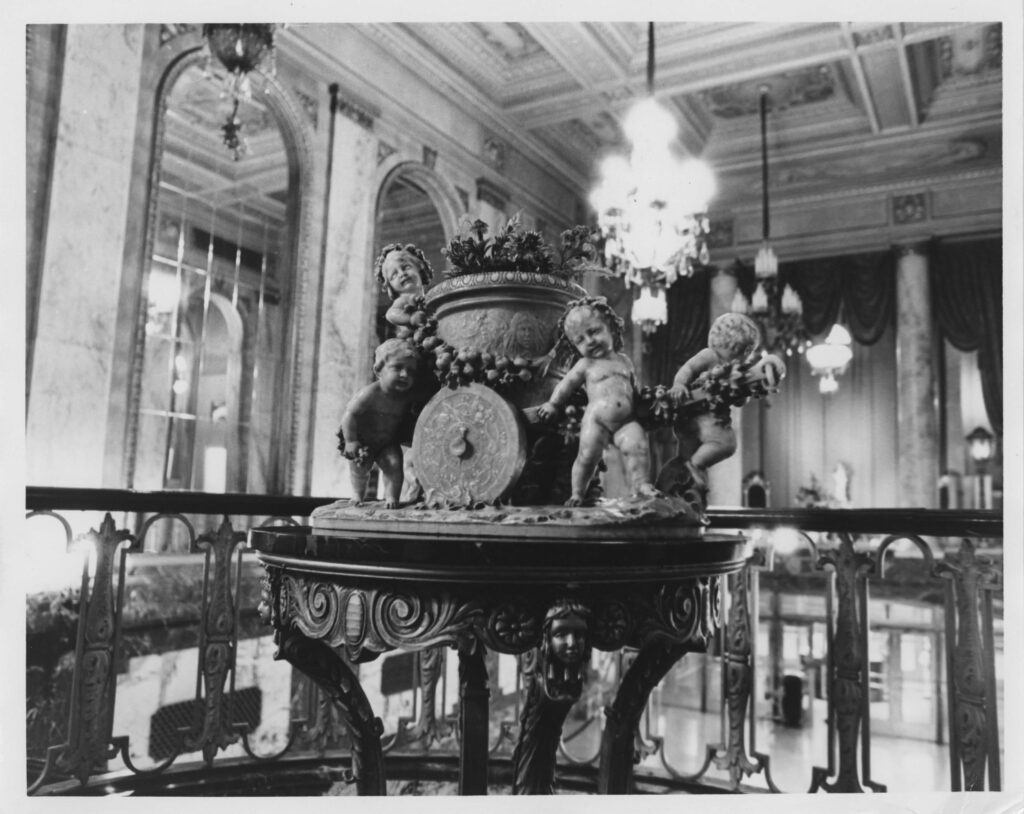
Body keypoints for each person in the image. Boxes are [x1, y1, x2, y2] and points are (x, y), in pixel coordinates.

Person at [538, 297, 657, 506]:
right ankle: (577, 493)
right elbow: (566, 385)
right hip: (596, 420)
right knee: (586, 457)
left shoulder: (624, 361)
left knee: (637, 446)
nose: (589, 341)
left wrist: (643, 402)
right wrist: (554, 404)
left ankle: (640, 486)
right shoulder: (586, 364)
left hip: (626, 420)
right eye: (580, 340)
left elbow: (633, 389)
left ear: (610, 327)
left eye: (593, 332)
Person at [668, 312, 762, 492]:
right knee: (725, 443)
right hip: (696, 413)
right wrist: (679, 384)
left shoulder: (736, 369)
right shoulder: (710, 355)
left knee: (691, 452)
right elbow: (687, 368)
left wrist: (742, 392)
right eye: (746, 351)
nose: (746, 357)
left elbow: (740, 402)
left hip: (711, 417)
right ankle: (694, 467)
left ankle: (685, 483)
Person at [338, 338, 420, 507]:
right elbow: (350, 415)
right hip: (364, 443)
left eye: (411, 372)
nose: (405, 375)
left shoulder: (406, 398)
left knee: (394, 467)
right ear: (378, 370)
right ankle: (357, 495)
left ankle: (391, 498)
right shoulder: (370, 394)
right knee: (359, 469)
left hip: (387, 443)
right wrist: (351, 441)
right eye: (397, 367)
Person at [374, 243, 433, 329]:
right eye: (394, 275)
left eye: (406, 267)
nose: (402, 274)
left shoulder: (428, 296)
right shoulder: (404, 300)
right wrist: (410, 319)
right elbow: (390, 314)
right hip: (412, 338)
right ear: (390, 286)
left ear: (419, 267)